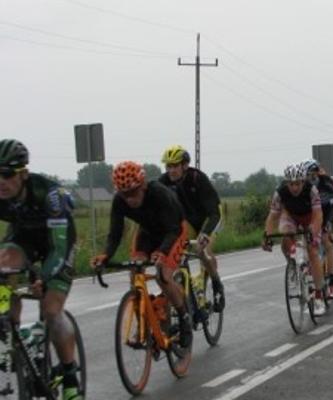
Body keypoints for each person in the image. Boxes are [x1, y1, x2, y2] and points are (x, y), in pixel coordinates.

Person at [0, 139, 83, 400]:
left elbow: (58, 249)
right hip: (23, 238)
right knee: (2, 268)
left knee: (50, 309)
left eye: (6, 174)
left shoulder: (50, 195)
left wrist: (44, 278)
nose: (1, 181)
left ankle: (70, 376)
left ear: (23, 173)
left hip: (56, 242)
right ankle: (10, 331)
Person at [92, 161, 192, 348]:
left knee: (162, 277)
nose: (129, 199)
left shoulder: (159, 194)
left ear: (143, 185)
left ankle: (184, 316)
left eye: (133, 192)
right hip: (147, 234)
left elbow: (173, 228)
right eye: (124, 194)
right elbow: (115, 233)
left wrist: (162, 253)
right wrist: (106, 255)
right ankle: (143, 324)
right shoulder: (119, 200)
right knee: (135, 271)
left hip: (173, 232)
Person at [159, 145, 225, 312]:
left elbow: (215, 213)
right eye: (168, 166)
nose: (171, 170)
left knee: (202, 249)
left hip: (209, 218)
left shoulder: (197, 179)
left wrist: (206, 234)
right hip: (187, 221)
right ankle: (184, 288)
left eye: (175, 166)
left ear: (185, 165)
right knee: (177, 249)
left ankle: (216, 284)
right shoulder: (164, 182)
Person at [261, 163, 326, 315]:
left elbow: (318, 215)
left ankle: (318, 296)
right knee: (285, 234)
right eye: (291, 184)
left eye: (298, 184)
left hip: (310, 217)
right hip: (291, 217)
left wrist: (313, 231)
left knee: (312, 251)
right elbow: (273, 217)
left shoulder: (312, 190)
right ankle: (293, 263)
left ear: (303, 181)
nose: (294, 187)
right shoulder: (280, 192)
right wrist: (267, 236)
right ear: (287, 183)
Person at [303, 159, 333, 299]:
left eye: (311, 174)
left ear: (317, 173)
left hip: (329, 211)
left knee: (327, 241)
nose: (308, 178)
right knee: (307, 239)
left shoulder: (327, 181)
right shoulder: (304, 185)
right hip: (313, 213)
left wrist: (330, 223)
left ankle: (331, 282)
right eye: (306, 175)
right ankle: (310, 266)